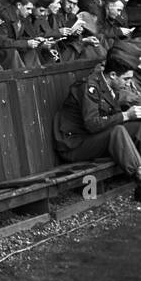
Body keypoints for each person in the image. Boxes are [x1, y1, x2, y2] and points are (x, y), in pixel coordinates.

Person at [52, 46, 141, 201]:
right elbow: (92, 124)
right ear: (113, 75)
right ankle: (139, 174)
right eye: (126, 79)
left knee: (138, 126)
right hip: (74, 145)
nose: (128, 83)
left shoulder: (107, 84)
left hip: (91, 139)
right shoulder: (89, 86)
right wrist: (126, 115)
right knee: (117, 131)